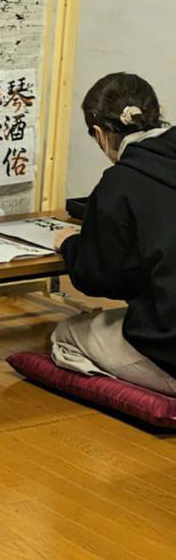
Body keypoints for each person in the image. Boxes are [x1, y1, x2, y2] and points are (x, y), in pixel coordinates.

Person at [51, 73, 176, 393]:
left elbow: (99, 279)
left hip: (170, 349)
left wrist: (71, 245)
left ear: (99, 134)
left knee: (66, 333)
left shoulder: (119, 183)